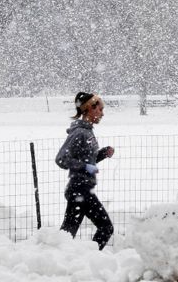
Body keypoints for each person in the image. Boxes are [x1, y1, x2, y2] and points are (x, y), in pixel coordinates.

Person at [56, 92, 116, 249]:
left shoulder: (88, 131)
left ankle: (62, 259)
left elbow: (87, 159)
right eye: (100, 109)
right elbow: (61, 159)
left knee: (67, 234)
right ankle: (87, 258)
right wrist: (85, 167)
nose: (102, 113)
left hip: (82, 189)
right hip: (79, 190)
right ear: (89, 109)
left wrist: (102, 153)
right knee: (105, 227)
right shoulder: (80, 133)